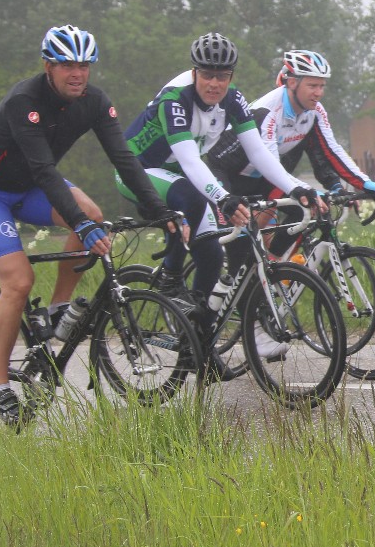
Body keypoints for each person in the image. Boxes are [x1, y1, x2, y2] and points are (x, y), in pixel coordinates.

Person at [0, 25, 179, 423]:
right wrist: (79, 224)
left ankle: (57, 310)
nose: (77, 74)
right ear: (49, 67)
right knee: (18, 282)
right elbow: (44, 169)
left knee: (93, 215)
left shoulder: (94, 101)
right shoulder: (24, 100)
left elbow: (124, 158)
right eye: (67, 65)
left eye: (84, 66)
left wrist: (160, 210)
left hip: (28, 185)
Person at [119, 33, 320, 359]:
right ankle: (171, 278)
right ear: (194, 72)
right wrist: (225, 197)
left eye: (222, 76)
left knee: (212, 254)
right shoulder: (175, 99)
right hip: (139, 171)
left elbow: (259, 152)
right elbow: (190, 161)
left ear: (231, 76)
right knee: (194, 199)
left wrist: (295, 187)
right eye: (207, 75)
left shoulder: (233, 99)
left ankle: (198, 347)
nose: (214, 83)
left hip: (178, 174)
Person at [207, 49, 375, 271]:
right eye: (312, 86)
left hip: (261, 176)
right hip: (227, 173)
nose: (319, 93)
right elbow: (271, 163)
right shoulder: (267, 111)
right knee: (239, 244)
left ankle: (271, 267)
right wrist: (307, 190)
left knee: (302, 210)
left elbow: (332, 150)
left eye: (322, 86)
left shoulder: (315, 111)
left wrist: (365, 183)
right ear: (292, 83)